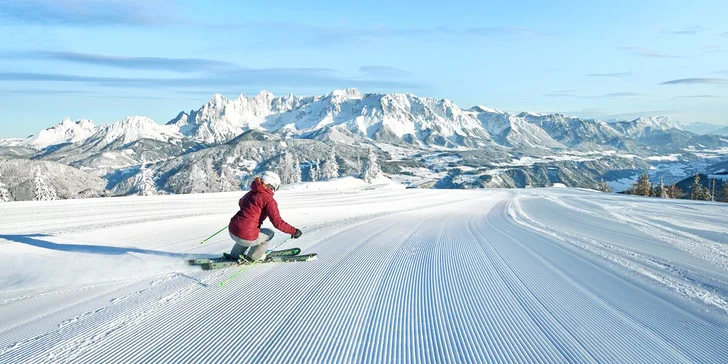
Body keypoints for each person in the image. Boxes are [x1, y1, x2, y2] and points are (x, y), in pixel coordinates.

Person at [228, 171, 302, 261]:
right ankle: (253, 258)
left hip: (233, 230)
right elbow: (277, 222)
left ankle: (234, 255)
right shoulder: (269, 200)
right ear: (272, 185)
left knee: (246, 231)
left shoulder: (251, 192)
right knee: (269, 233)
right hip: (246, 237)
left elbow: (241, 202)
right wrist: (294, 231)